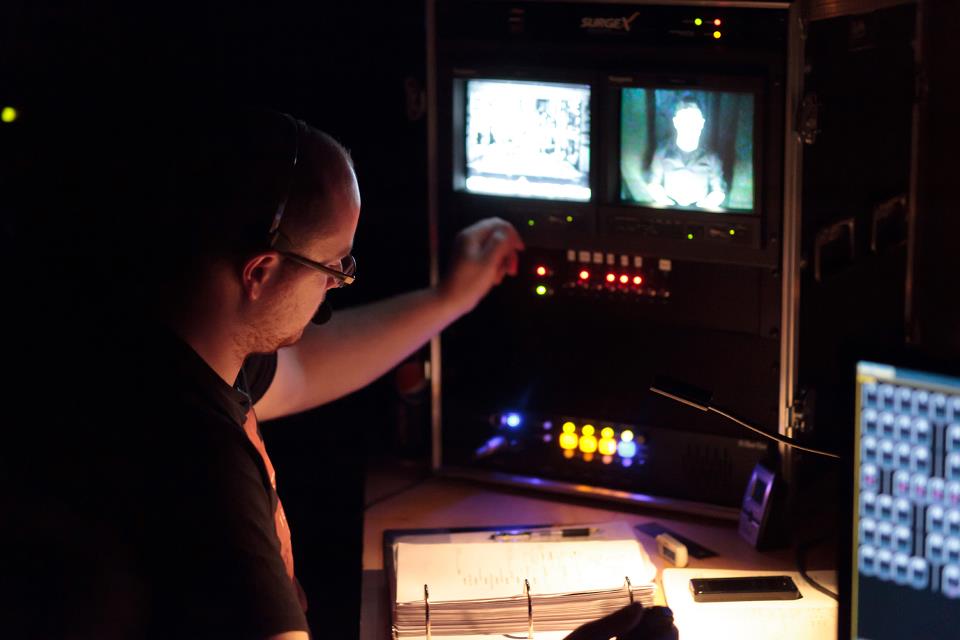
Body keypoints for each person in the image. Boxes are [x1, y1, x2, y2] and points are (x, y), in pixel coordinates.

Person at [4, 108, 676, 640]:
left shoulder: (157, 343)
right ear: (261, 272)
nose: (336, 290)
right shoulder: (201, 462)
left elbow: (299, 368)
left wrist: (450, 297)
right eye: (335, 268)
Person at [646, 96, 727, 210]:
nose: (689, 125)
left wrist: (706, 205)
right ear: (676, 122)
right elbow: (653, 184)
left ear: (701, 123)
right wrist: (663, 200)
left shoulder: (712, 157)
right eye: (684, 119)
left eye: (694, 119)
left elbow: (719, 191)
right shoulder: (662, 152)